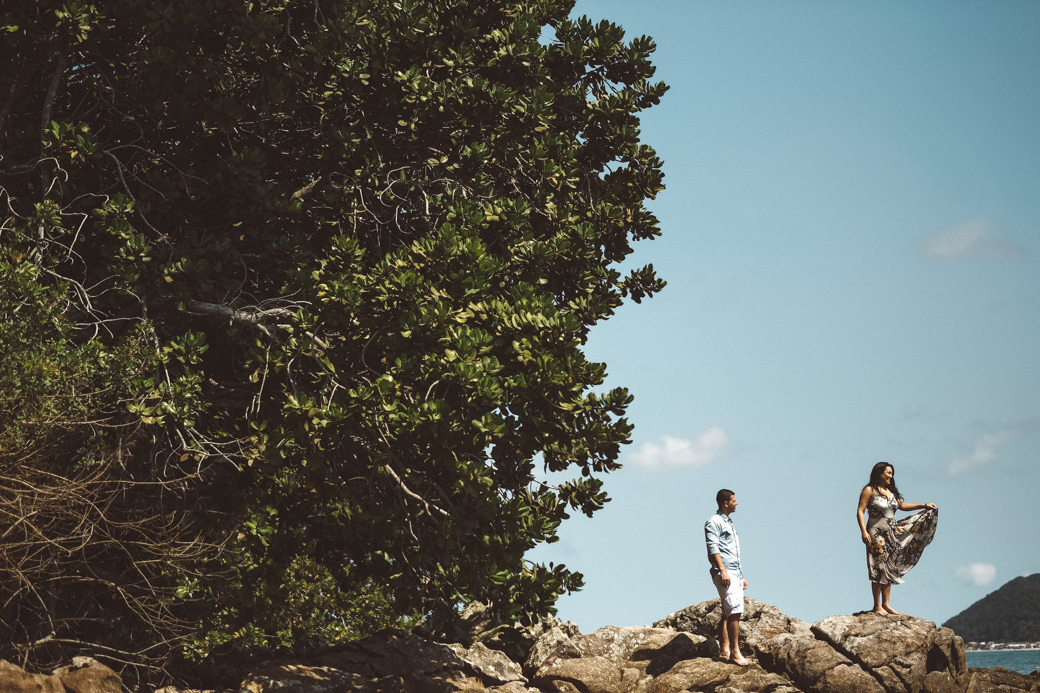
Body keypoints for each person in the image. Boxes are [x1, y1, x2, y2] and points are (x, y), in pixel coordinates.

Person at [856, 461, 938, 615]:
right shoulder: (869, 490)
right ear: (879, 473)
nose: (891, 476)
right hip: (875, 532)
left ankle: (886, 604)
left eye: (892, 473)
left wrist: (924, 505)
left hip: (892, 533)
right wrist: (863, 532)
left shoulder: (890, 492)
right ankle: (877, 605)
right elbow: (860, 511)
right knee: (878, 566)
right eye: (888, 473)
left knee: (889, 566)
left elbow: (902, 506)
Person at [705, 488, 750, 666]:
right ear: (726, 503)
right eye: (734, 500)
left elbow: (731, 551)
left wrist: (741, 575)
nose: (736, 502)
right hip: (726, 571)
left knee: (726, 612)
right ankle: (735, 653)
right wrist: (723, 570)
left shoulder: (728, 522)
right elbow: (713, 548)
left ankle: (724, 650)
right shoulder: (714, 521)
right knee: (735, 612)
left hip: (734, 572)